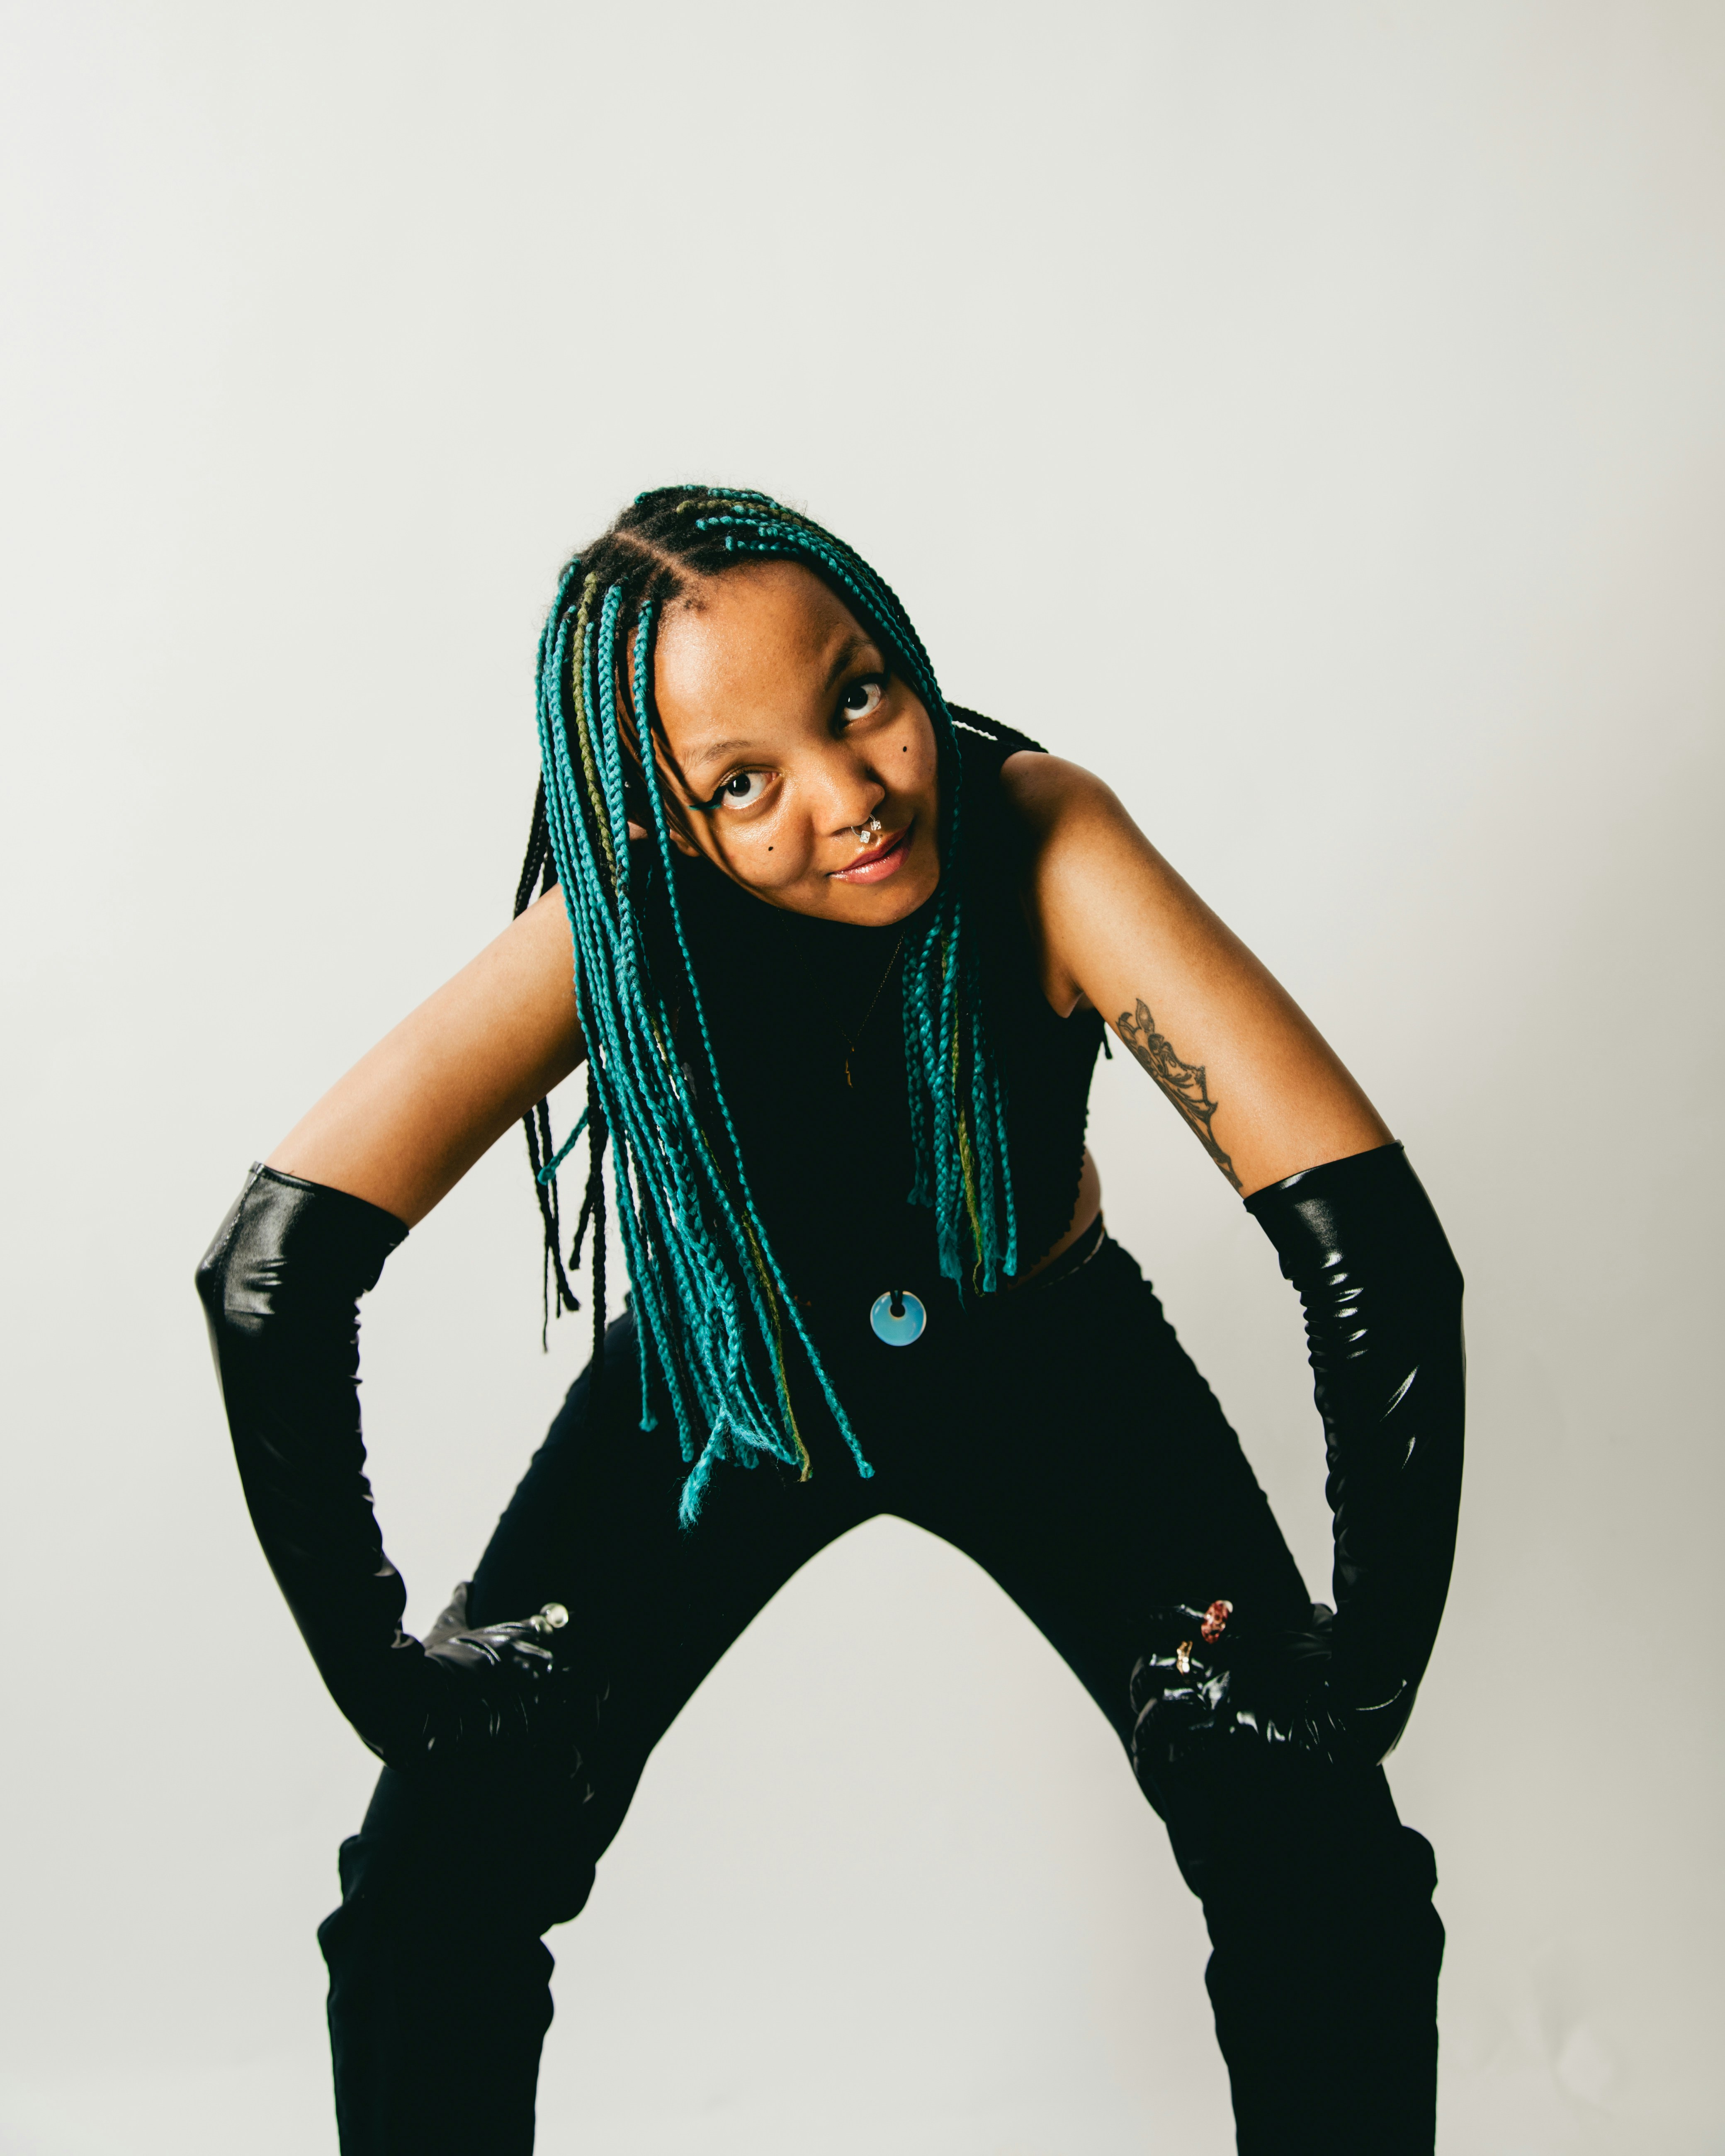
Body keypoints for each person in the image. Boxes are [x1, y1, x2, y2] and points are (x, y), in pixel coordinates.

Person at [196, 486, 1465, 2155]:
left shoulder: (1042, 838)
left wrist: (1362, 1669)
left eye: (859, 694)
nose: (850, 794)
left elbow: (1365, 1239)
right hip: (732, 1389)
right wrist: (388, 1680)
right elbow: (271, 1268)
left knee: (1325, 1874)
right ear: (662, 814)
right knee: (432, 1895)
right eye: (744, 780)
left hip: (1050, 1369)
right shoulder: (624, 922)